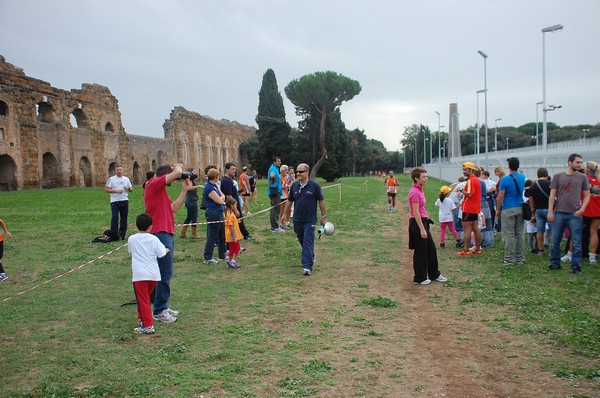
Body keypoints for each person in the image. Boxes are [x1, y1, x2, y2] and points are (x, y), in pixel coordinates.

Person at [144, 163, 191, 323]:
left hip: (166, 233)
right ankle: (159, 311)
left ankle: (162, 306)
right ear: (165, 174)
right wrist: (178, 166)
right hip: (160, 234)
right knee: (165, 273)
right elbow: (177, 172)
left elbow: (174, 207)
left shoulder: (160, 191)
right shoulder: (153, 184)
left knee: (164, 273)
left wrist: (184, 190)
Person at [548, 153, 591, 274]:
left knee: (577, 242)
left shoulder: (582, 177)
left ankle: (576, 266)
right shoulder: (558, 176)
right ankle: (555, 263)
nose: (579, 164)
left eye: (580, 162)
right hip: (559, 213)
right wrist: (551, 211)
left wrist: (582, 209)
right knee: (555, 241)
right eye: (577, 162)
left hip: (575, 214)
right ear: (569, 162)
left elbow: (587, 195)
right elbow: (552, 195)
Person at [128, 213, 169, 334]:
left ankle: (148, 325)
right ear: (151, 227)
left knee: (143, 300)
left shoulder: (132, 239)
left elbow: (130, 251)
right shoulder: (154, 239)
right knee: (144, 299)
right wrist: (166, 250)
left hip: (140, 276)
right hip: (154, 275)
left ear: (136, 226)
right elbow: (161, 253)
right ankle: (142, 320)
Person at [283, 163, 326, 276]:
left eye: (301, 172)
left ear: (307, 172)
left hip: (310, 220)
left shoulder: (315, 186)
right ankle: (310, 255)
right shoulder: (294, 186)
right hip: (297, 219)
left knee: (308, 240)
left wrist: (323, 217)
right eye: (297, 171)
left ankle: (307, 266)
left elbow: (321, 201)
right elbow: (289, 201)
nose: (298, 173)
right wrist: (284, 214)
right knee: (302, 240)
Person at [407, 167, 448, 285]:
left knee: (430, 249)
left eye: (426, 176)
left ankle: (434, 274)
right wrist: (422, 229)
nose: (426, 179)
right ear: (416, 178)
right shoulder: (415, 192)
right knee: (420, 252)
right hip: (417, 223)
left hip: (423, 221)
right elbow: (415, 212)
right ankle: (419, 277)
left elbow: (421, 208)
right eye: (423, 177)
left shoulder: (420, 189)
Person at [496, 157, 526, 265]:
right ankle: (520, 258)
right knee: (519, 233)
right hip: (520, 207)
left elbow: (500, 196)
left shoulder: (505, 179)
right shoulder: (522, 177)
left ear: (509, 166)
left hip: (508, 208)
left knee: (509, 234)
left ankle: (508, 258)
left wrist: (498, 210)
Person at [221, 162, 253, 240]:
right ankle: (243, 235)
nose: (234, 171)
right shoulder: (226, 181)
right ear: (227, 169)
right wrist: (235, 209)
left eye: (235, 169)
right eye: (232, 169)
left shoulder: (230, 179)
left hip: (235, 204)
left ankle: (244, 235)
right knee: (235, 222)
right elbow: (228, 196)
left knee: (239, 221)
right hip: (232, 206)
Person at [202, 168, 227, 264]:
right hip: (213, 213)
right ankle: (208, 257)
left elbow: (222, 195)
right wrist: (221, 199)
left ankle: (222, 254)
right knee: (212, 235)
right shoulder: (208, 187)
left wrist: (221, 198)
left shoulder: (215, 186)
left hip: (219, 211)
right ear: (215, 177)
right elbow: (220, 200)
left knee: (222, 234)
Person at [457, 162, 482, 256]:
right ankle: (477, 249)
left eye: (466, 169)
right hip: (475, 207)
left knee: (467, 228)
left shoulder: (471, 180)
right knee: (475, 228)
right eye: (463, 170)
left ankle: (466, 250)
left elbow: (470, 194)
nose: (464, 171)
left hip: (469, 207)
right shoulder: (476, 180)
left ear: (472, 170)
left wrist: (462, 191)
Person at [527, 167, 552, 256]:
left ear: (538, 175)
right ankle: (553, 250)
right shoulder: (550, 184)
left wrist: (533, 210)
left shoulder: (533, 186)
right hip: (549, 210)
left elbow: (531, 199)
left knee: (540, 230)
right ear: (546, 174)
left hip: (538, 210)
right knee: (552, 231)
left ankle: (540, 250)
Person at [105, 164, 133, 240]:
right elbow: (106, 189)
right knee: (115, 217)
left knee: (124, 218)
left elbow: (131, 190)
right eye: (117, 170)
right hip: (115, 201)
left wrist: (128, 188)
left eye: (120, 170)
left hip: (124, 200)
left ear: (122, 170)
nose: (119, 171)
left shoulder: (126, 179)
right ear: (115, 171)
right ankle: (113, 233)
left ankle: (122, 233)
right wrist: (116, 191)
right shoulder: (112, 179)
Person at [582, 161, 600, 265]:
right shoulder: (599, 179)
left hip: (585, 209)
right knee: (594, 232)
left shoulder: (585, 179)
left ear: (588, 169)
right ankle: (592, 256)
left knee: (577, 231)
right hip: (597, 210)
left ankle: (571, 253)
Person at [180, 168, 204, 239]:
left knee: (189, 217)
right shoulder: (186, 182)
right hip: (191, 201)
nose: (195, 173)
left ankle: (183, 233)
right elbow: (189, 188)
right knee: (194, 217)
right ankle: (194, 234)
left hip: (191, 201)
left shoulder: (190, 181)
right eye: (193, 172)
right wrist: (198, 186)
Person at [267, 157, 284, 232]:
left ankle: (274, 226)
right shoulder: (274, 168)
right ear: (274, 162)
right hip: (275, 191)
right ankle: (274, 227)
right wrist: (273, 181)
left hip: (276, 190)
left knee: (274, 208)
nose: (280, 162)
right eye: (278, 161)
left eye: (280, 161)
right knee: (276, 209)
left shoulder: (275, 168)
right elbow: (272, 175)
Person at [225, 197, 242, 269]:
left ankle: (230, 261)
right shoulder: (230, 215)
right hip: (232, 235)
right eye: (235, 205)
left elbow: (232, 223)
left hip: (230, 235)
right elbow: (231, 226)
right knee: (237, 247)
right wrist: (234, 236)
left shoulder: (230, 214)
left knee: (232, 248)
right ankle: (233, 261)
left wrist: (237, 221)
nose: (236, 206)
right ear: (231, 205)